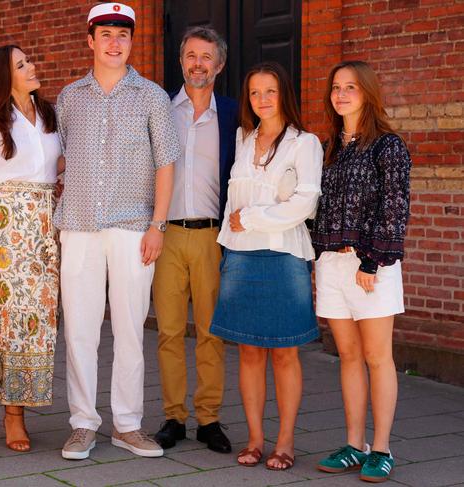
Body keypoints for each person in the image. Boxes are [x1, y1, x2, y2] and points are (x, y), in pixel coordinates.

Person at [56, 2, 179, 460]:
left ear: (131, 42)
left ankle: (127, 425)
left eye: (123, 35)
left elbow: (167, 164)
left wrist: (157, 226)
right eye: (105, 34)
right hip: (80, 227)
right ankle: (83, 423)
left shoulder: (152, 97)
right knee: (80, 332)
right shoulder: (69, 98)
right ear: (90, 41)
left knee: (129, 329)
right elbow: (60, 160)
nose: (114, 43)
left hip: (133, 228)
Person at [210, 61, 322, 470]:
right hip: (240, 257)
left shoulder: (304, 143)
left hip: (283, 257)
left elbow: (305, 204)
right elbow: (232, 201)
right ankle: (255, 439)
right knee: (250, 353)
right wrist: (234, 235)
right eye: (255, 92)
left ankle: (286, 442)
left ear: (284, 94)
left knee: (285, 355)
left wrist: (253, 218)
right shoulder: (243, 138)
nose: (262, 99)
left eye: (270, 91)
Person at [312, 61, 412, 484]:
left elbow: (395, 209)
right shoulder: (329, 145)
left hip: (372, 264)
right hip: (332, 264)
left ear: (367, 92)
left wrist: (372, 262)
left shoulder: (388, 146)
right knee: (348, 356)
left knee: (377, 357)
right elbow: (318, 209)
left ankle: (382, 448)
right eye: (336, 87)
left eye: (350, 87)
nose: (342, 94)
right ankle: (355, 444)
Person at [0, 44, 63, 453]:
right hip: (4, 231)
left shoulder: (51, 115)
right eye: (21, 65)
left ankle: (28, 396)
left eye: (29, 61)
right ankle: (12, 414)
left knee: (40, 319)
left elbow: (62, 165)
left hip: (45, 228)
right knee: (8, 320)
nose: (32, 67)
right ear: (5, 78)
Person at [152, 26, 238, 453]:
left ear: (219, 64)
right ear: (181, 61)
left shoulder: (234, 114)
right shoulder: (160, 109)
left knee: (210, 331)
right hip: (166, 235)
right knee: (168, 331)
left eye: (206, 57)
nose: (197, 64)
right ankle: (173, 417)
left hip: (211, 237)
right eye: (190, 55)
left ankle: (209, 418)